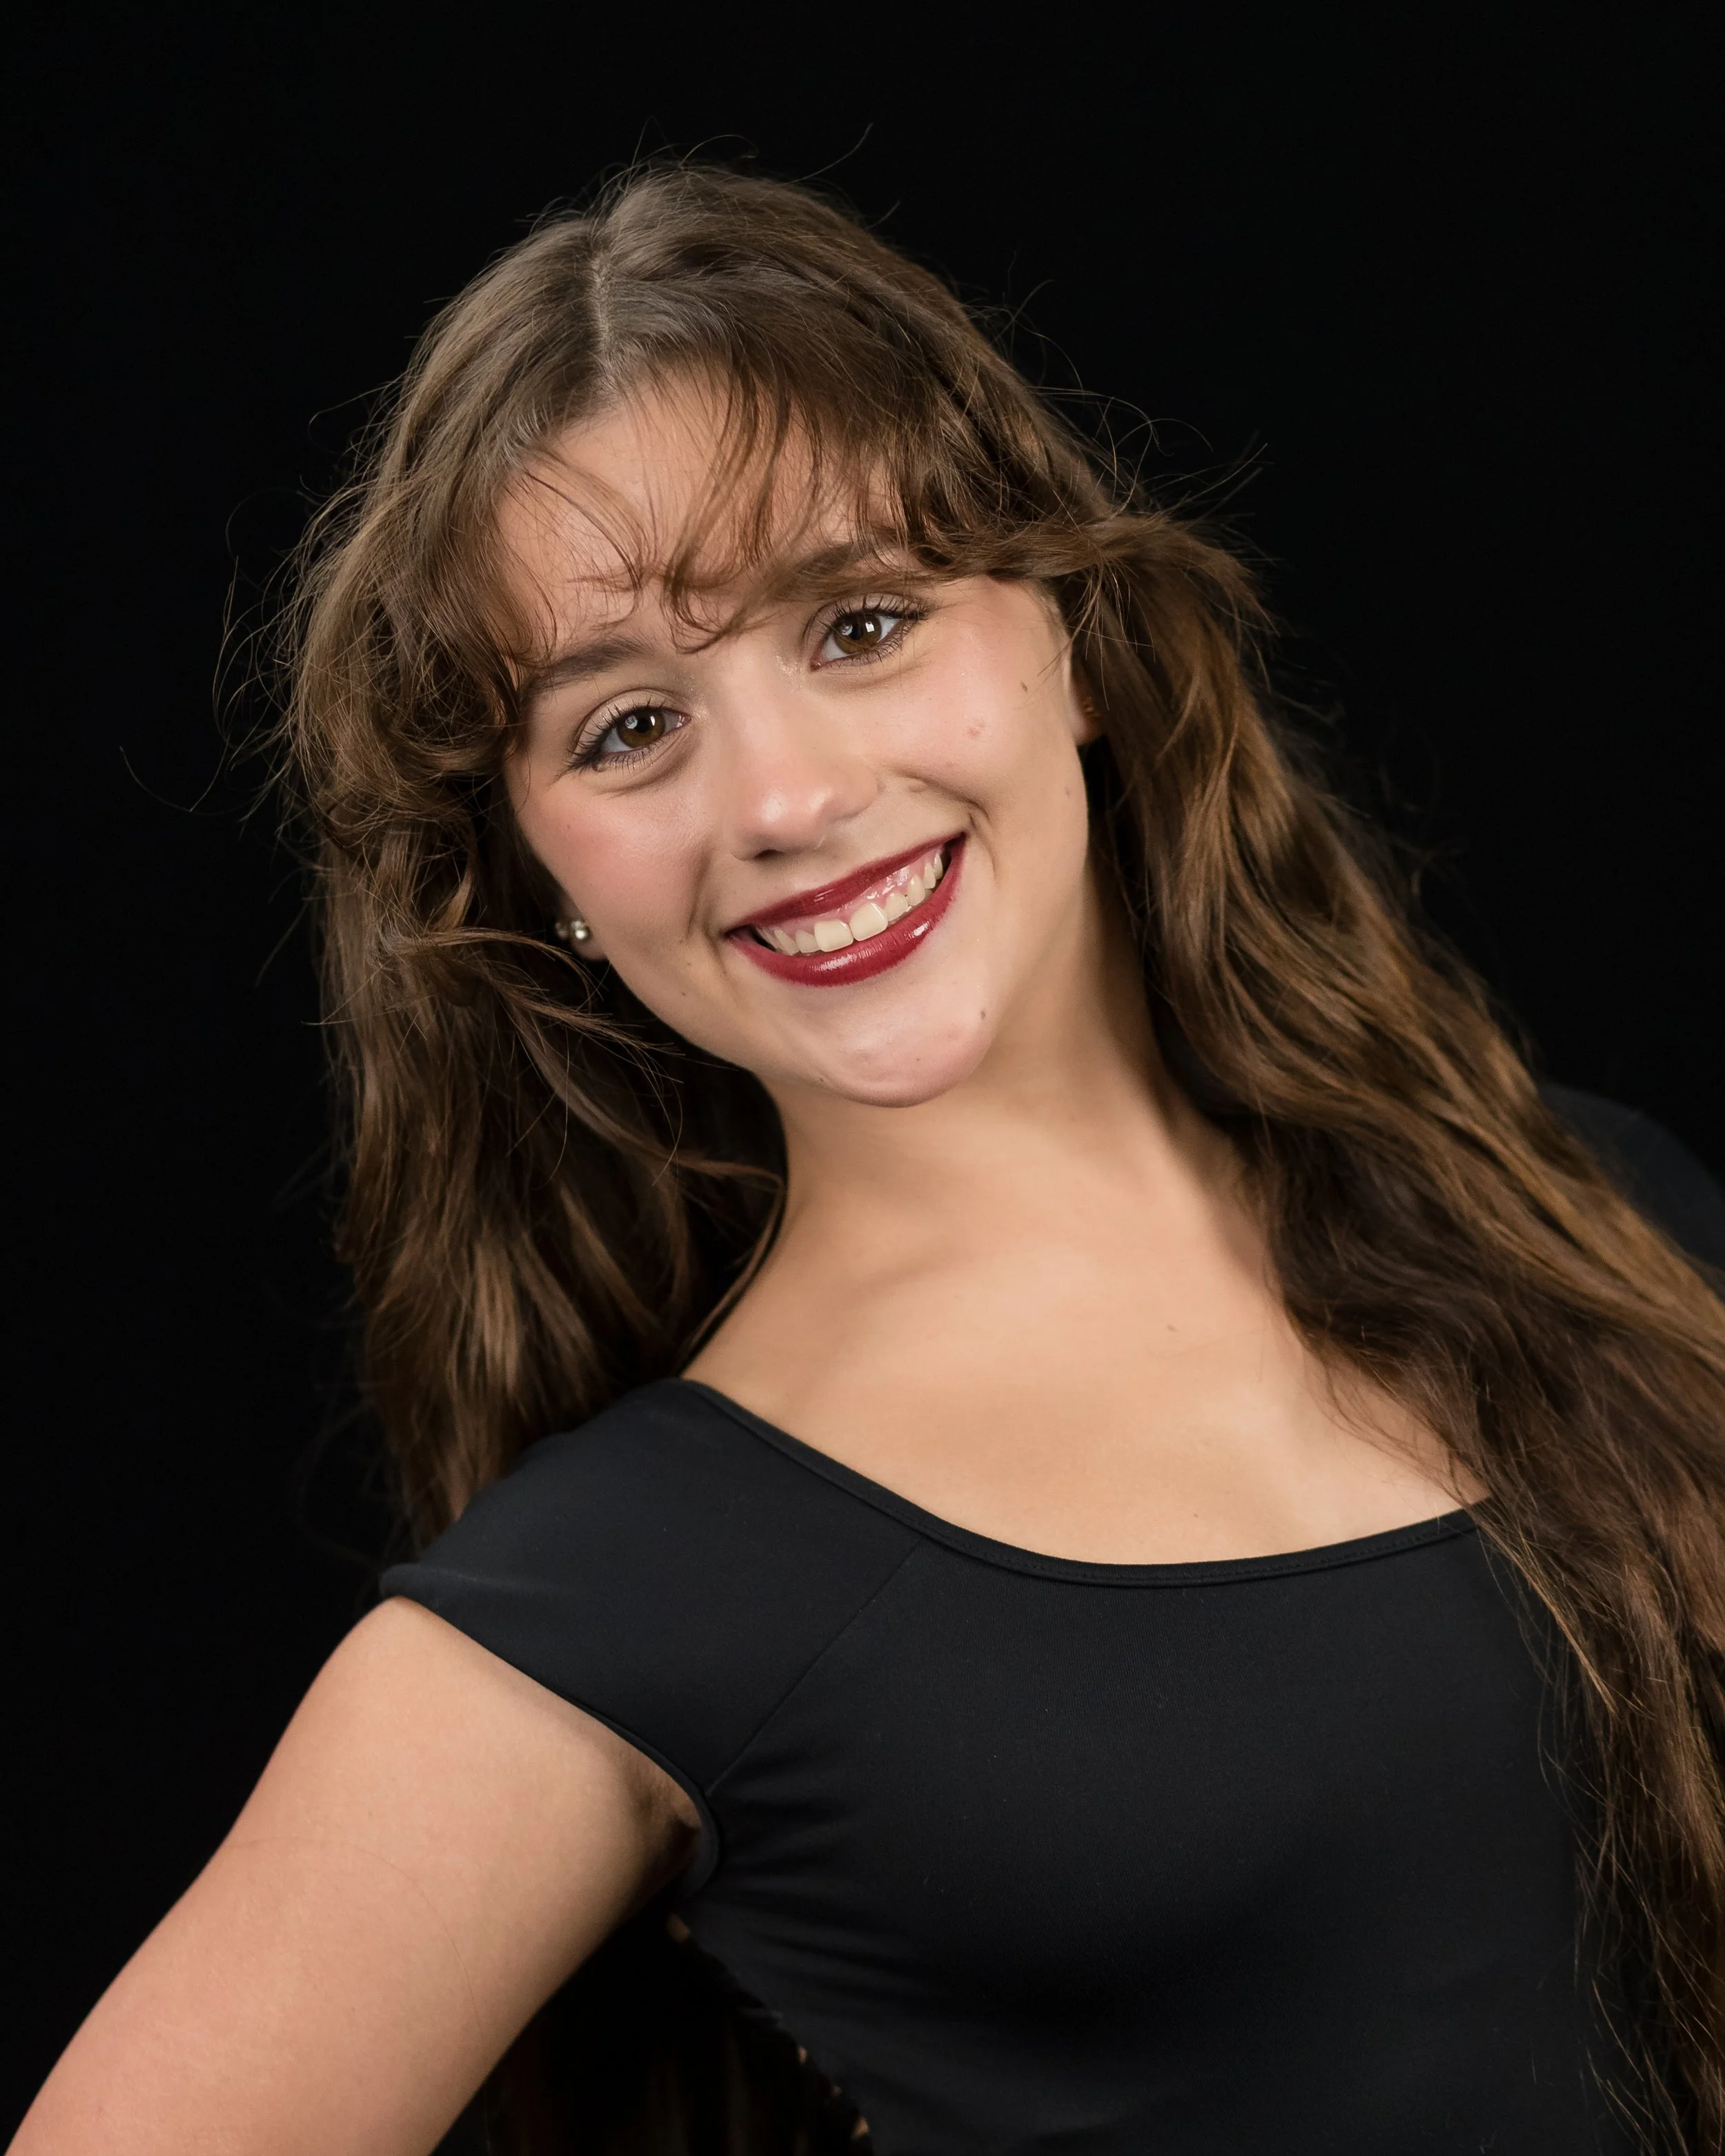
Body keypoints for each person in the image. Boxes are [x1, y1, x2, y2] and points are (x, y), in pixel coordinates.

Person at [14, 164, 1725, 2156]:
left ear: (1076, 642)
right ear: (540, 874)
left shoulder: (1598, 1208)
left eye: (861, 624)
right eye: (628, 727)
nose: (785, 796)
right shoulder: (640, 1585)